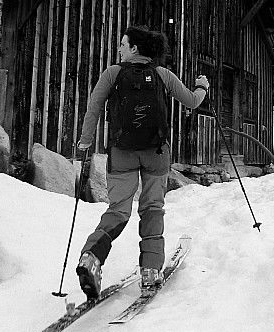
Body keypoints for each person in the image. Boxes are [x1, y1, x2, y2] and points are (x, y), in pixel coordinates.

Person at [75, 25, 209, 299]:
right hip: (156, 153)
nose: (120, 49)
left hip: (122, 152)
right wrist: (202, 86)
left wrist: (85, 140)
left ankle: (91, 256)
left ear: (134, 48)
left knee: (118, 211)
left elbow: (94, 106)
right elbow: (193, 102)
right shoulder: (163, 75)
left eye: (123, 44)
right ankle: (150, 271)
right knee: (152, 209)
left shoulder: (113, 73)